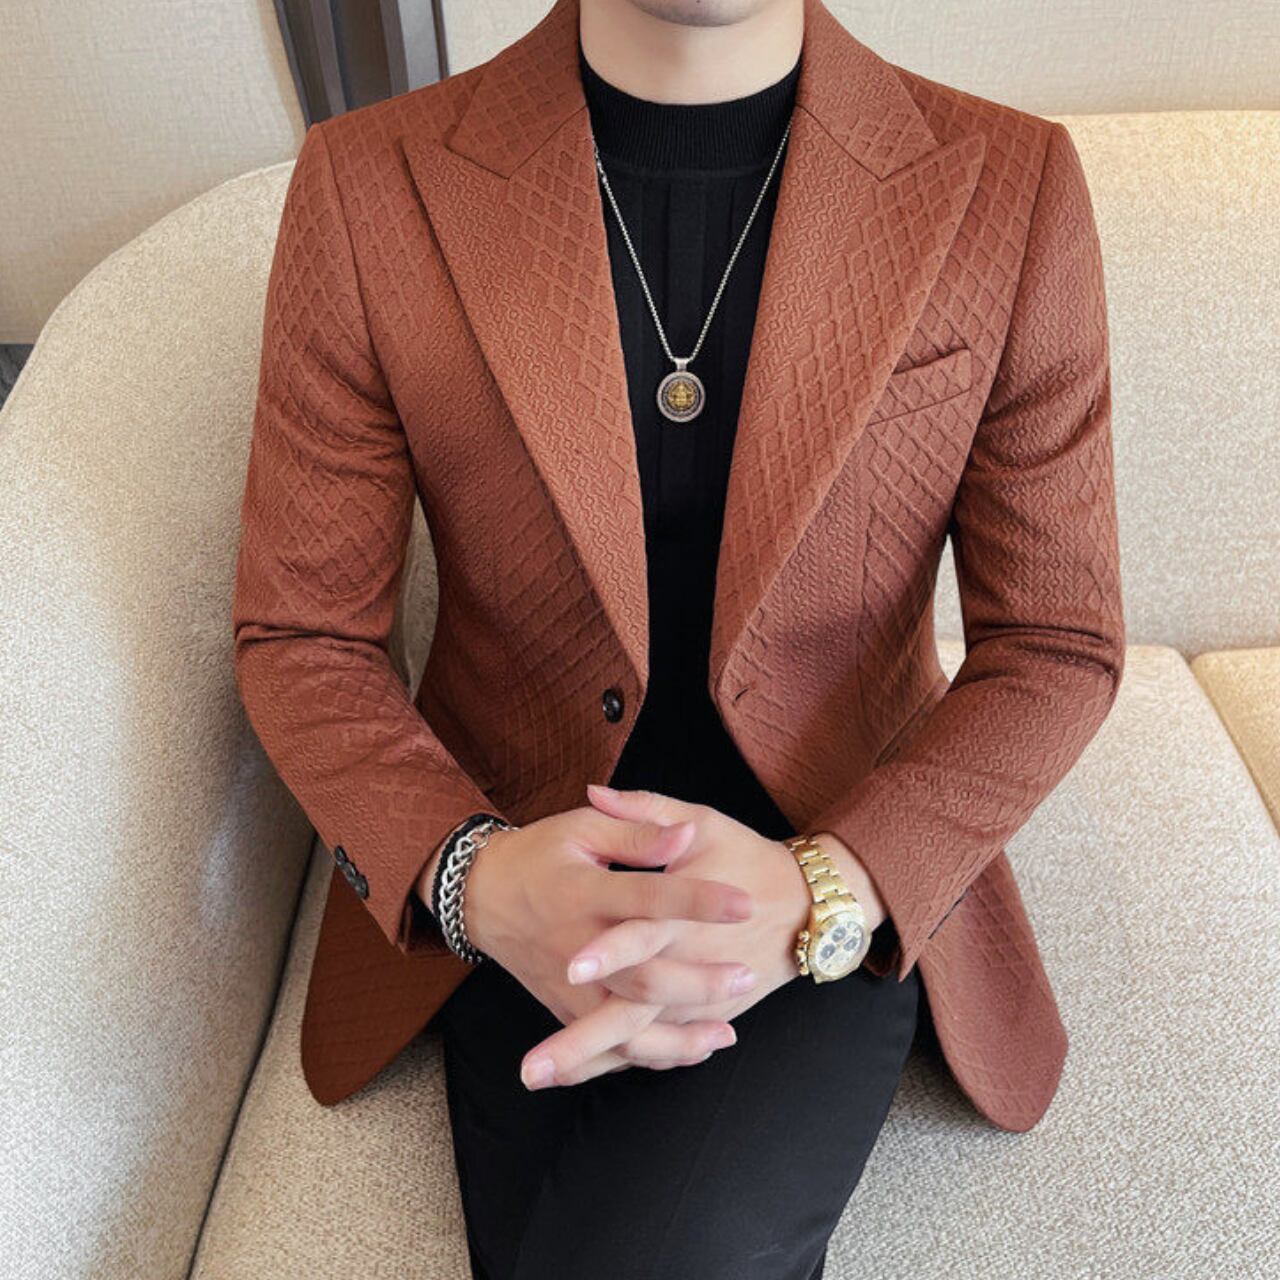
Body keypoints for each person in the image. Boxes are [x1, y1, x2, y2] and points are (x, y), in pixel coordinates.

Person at [231, 0, 1125, 1276]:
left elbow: (1054, 637)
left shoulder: (1008, 184)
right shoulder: (368, 184)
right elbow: (300, 632)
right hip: (519, 845)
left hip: (829, 837)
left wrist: (826, 886)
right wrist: (478, 878)